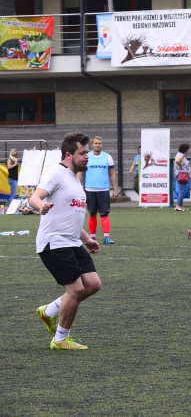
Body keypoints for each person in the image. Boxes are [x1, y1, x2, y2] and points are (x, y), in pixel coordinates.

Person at [30, 132, 102, 351]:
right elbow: (34, 196)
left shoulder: (74, 178)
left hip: (72, 242)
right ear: (69, 154)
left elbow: (70, 216)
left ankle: (49, 311)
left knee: (93, 284)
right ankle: (60, 339)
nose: (87, 156)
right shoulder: (55, 174)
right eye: (83, 153)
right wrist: (39, 205)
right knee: (76, 289)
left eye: (88, 152)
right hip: (54, 243)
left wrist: (87, 239)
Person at [78, 136, 118, 245]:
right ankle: (92, 237)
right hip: (89, 189)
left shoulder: (108, 157)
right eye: (96, 143)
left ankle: (106, 237)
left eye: (99, 143)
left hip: (104, 189)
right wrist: (77, 187)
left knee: (104, 213)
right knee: (92, 213)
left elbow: (112, 174)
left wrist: (115, 189)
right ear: (92, 145)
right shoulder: (86, 157)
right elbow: (81, 173)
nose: (98, 145)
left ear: (102, 144)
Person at [174, 143, 191, 212]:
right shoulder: (181, 155)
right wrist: (180, 166)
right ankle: (178, 205)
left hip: (180, 174)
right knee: (182, 190)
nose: (188, 151)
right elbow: (177, 161)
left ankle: (180, 205)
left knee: (182, 190)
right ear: (185, 150)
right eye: (187, 149)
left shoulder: (179, 154)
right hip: (181, 174)